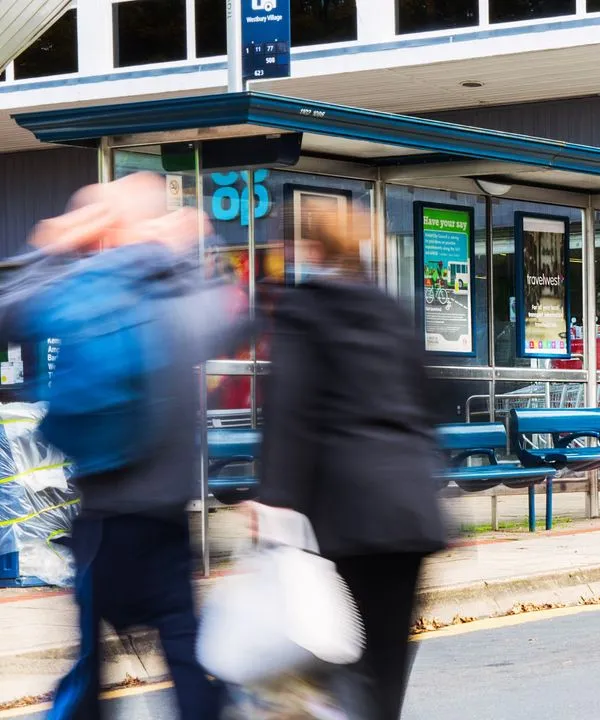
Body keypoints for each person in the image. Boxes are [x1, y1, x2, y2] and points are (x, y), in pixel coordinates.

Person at [3, 173, 246, 720]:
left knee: (89, 666)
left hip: (105, 511)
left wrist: (49, 247)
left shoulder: (83, 290)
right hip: (165, 513)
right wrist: (191, 255)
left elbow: (9, 310)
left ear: (105, 231)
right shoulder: (180, 295)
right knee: (186, 656)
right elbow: (233, 320)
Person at [257, 207, 447, 720]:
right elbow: (428, 399)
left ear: (308, 250)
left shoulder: (303, 311)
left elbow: (290, 413)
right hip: (409, 513)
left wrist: (275, 502)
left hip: (346, 514)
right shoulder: (391, 309)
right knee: (386, 660)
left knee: (334, 652)